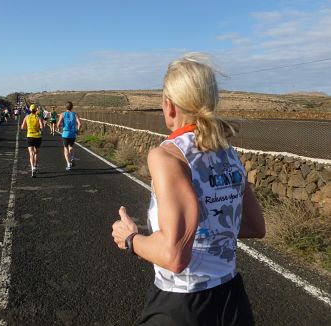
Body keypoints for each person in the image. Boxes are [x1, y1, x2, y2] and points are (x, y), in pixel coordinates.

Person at [111, 53, 265, 326]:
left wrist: (131, 239)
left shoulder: (168, 155)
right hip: (233, 301)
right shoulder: (228, 152)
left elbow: (175, 256)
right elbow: (254, 225)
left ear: (169, 106)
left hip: (183, 304)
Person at [57, 101, 81, 171]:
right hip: (73, 133)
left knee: (65, 148)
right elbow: (80, 124)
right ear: (72, 107)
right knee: (71, 147)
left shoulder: (62, 114)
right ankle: (72, 157)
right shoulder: (75, 114)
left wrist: (59, 128)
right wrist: (77, 130)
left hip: (65, 133)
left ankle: (68, 164)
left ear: (66, 107)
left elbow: (58, 124)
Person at [21, 104, 43, 178]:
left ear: (30, 110)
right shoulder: (38, 117)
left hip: (30, 136)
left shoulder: (27, 117)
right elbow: (42, 127)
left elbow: (22, 127)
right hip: (37, 136)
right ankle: (35, 166)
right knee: (36, 152)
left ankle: (32, 168)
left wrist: (28, 127)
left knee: (31, 153)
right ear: (36, 110)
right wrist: (39, 128)